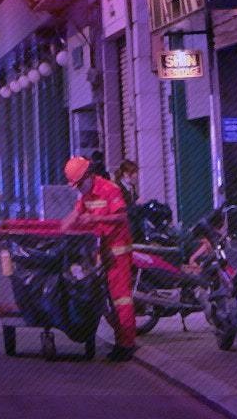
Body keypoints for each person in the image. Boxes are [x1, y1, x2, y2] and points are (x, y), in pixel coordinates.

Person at [61, 153, 136, 360]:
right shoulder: (85, 195)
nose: (77, 188)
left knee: (121, 299)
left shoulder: (109, 189)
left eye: (78, 183)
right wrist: (60, 231)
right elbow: (75, 216)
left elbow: (122, 215)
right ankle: (120, 340)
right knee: (108, 300)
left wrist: (94, 217)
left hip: (117, 251)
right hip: (101, 252)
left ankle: (126, 345)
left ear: (88, 176)